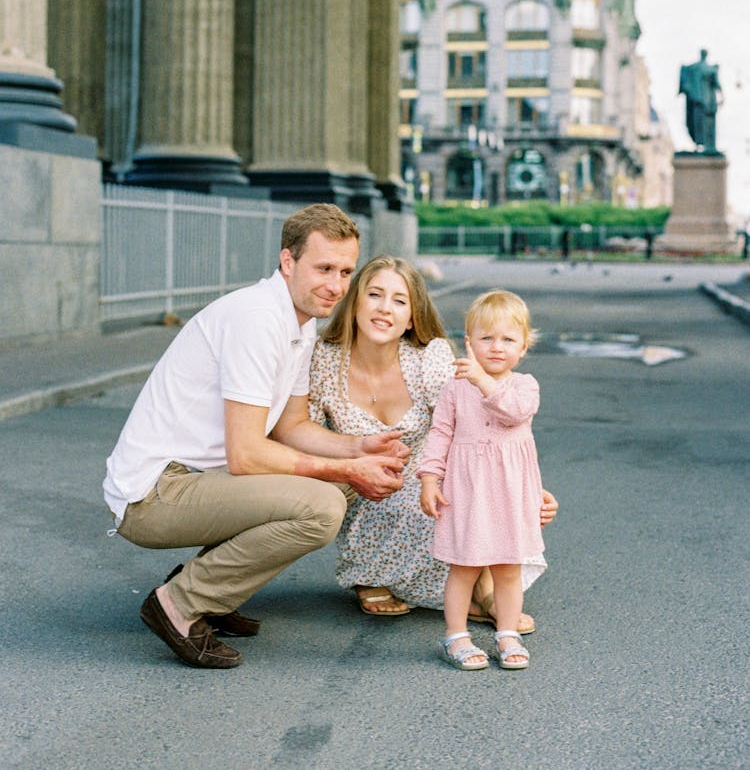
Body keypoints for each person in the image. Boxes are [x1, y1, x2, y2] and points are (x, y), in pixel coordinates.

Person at [103, 204, 409, 669]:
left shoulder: (300, 323)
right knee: (322, 506)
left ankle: (214, 591)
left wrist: (359, 449)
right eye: (323, 268)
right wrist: (346, 466)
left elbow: (292, 427)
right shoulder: (256, 319)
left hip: (202, 478)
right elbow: (247, 454)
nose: (337, 285)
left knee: (340, 484)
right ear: (288, 261)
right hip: (154, 494)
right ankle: (179, 603)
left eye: (346, 271)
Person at [308, 257, 554, 628]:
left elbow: (471, 423)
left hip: (434, 479)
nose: (384, 309)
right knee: (428, 511)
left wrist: (522, 485)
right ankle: (372, 573)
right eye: (374, 295)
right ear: (355, 302)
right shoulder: (323, 358)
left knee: (460, 505)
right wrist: (350, 461)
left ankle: (484, 586)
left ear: (411, 317)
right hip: (359, 485)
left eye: (399, 301)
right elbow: (306, 432)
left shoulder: (429, 356)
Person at [418, 289, 545, 672]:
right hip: (468, 491)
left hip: (509, 492)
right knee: (464, 566)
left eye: (508, 339)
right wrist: (429, 478)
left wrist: (483, 383)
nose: (496, 347)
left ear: (523, 347)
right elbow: (439, 434)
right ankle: (456, 636)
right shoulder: (455, 388)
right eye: (486, 338)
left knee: (508, 567)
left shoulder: (525, 386)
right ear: (469, 342)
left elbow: (514, 413)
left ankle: (507, 633)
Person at [678, 49, 723, 153]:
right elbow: (717, 85)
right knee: (702, 123)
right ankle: (705, 145)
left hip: (698, 99)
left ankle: (702, 144)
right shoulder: (709, 69)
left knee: (699, 123)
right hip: (706, 100)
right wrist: (722, 97)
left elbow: (684, 74)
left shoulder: (696, 68)